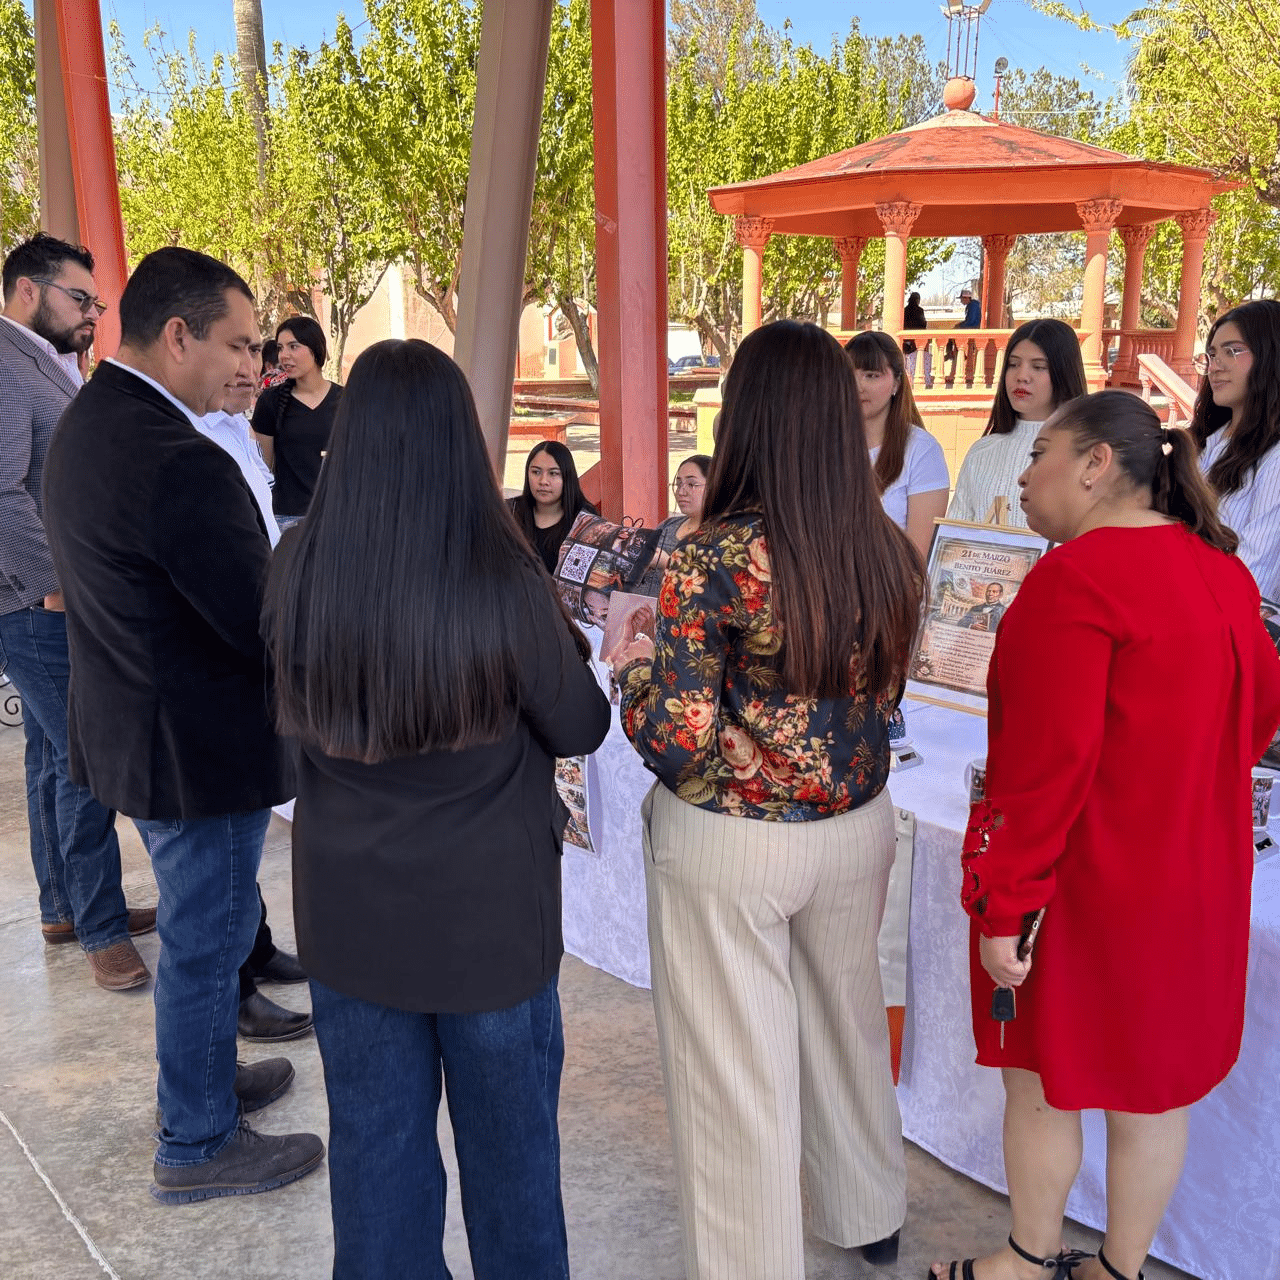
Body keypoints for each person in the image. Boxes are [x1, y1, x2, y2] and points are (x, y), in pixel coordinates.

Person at [263, 338, 610, 1278]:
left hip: (348, 918)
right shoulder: (505, 584)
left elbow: (290, 740)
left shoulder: (298, 568)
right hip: (489, 926)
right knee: (514, 1171)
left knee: (376, 1168)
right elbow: (578, 724)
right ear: (464, 443)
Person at [933, 390, 1280, 1280]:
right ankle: (1120, 1269)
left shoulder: (1076, 579)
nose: (1023, 475)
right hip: (1196, 884)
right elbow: (1255, 728)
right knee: (1152, 1093)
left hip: (1092, 890)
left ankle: (1028, 1257)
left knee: (1045, 1077)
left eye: (1039, 453)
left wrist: (1004, 900)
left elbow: (1041, 772)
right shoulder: (1224, 573)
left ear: (1096, 465)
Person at [616, 320, 922, 1280]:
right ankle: (868, 1210)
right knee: (847, 1020)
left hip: (734, 840)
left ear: (744, 416)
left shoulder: (713, 556)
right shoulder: (882, 542)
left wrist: (630, 675)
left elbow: (677, 736)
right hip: (858, 826)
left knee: (734, 1073)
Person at [41, 246, 324, 1203]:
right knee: (205, 944)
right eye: (240, 344)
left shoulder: (91, 420)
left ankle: (204, 1081)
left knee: (211, 933)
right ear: (177, 336)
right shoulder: (175, 458)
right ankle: (197, 1141)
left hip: (140, 732)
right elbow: (260, 623)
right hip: (193, 748)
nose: (256, 363)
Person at [0, 232, 156, 991]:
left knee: (47, 756)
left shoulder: (46, 361)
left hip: (40, 598)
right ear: (28, 290)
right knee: (84, 759)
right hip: (38, 602)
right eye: (79, 298)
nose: (90, 313)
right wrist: (53, 583)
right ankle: (98, 926)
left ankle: (65, 905)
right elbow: (1, 490)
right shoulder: (4, 359)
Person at [196, 345, 314, 1044]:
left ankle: (258, 946)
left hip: (266, 633)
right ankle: (237, 985)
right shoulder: (191, 440)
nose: (250, 368)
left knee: (249, 830)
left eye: (255, 353)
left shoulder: (239, 425)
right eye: (234, 351)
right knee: (224, 850)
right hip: (232, 657)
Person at [948, 318, 1087, 529]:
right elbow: (953, 538)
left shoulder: (1087, 455)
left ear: (1064, 373)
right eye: (1013, 364)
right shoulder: (981, 452)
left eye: (1038, 367)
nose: (1021, 376)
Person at [1189, 299, 1280, 600]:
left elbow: (1255, 575)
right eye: (1213, 354)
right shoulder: (1208, 443)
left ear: (1272, 355)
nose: (1216, 366)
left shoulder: (1275, 457)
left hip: (1222, 622)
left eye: (1233, 350)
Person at [847, 330, 950, 561]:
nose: (858, 386)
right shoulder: (825, 447)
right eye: (848, 375)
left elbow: (918, 557)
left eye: (871, 375)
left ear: (896, 383)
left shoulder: (922, 451)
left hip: (891, 590)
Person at [250, 315, 342, 528]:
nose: (284, 356)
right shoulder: (270, 402)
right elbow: (263, 469)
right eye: (281, 348)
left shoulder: (347, 400)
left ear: (315, 349)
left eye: (293, 346)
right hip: (287, 520)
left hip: (338, 518)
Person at [508, 438, 598, 575]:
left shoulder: (585, 520)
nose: (543, 481)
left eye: (553, 473)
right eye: (536, 472)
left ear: (567, 477)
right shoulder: (510, 512)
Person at [636, 453, 711, 594]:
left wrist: (667, 563)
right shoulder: (668, 525)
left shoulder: (720, 535)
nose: (681, 492)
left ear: (714, 487)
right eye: (678, 484)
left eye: (691, 484)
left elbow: (710, 590)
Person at [902, 289, 932, 386]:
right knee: (919, 359)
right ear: (917, 300)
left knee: (907, 361)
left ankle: (908, 379)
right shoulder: (919, 310)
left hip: (906, 339)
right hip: (918, 340)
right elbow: (923, 324)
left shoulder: (905, 310)